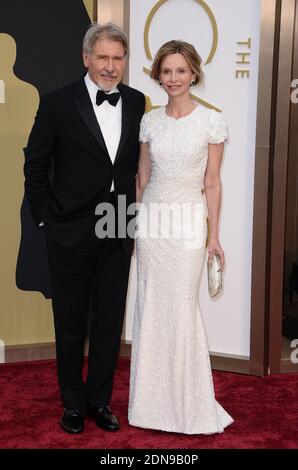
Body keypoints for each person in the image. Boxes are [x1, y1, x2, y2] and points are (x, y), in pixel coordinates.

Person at [24, 22, 145, 434]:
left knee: (110, 321)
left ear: (125, 61)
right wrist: (46, 217)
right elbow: (36, 165)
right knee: (71, 321)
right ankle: (72, 404)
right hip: (71, 227)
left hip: (117, 223)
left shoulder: (136, 100)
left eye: (117, 58)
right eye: (103, 57)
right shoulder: (58, 103)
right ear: (86, 58)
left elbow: (131, 166)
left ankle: (100, 401)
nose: (110, 66)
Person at [128, 40, 234, 434]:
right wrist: (134, 228)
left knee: (182, 310)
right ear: (159, 74)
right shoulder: (149, 122)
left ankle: (189, 406)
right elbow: (142, 179)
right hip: (154, 223)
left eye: (180, 71)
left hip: (188, 224)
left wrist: (214, 236)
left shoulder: (211, 122)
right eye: (166, 71)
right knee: (150, 308)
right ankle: (149, 406)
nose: (173, 78)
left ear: (194, 74)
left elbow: (212, 182)